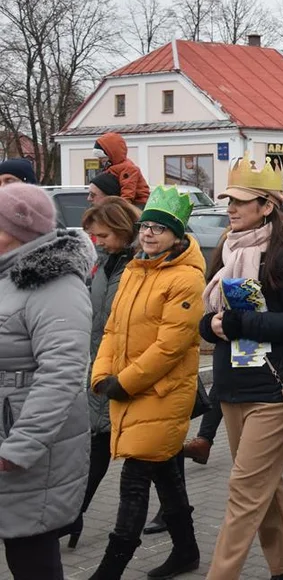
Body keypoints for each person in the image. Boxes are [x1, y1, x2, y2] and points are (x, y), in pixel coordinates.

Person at [201, 155, 283, 580]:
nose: (231, 208)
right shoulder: (226, 249)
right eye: (229, 200)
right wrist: (211, 325)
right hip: (232, 387)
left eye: (241, 201)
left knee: (244, 493)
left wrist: (240, 323)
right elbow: (211, 314)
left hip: (273, 390)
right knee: (265, 490)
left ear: (267, 206)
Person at [88, 186, 204, 579]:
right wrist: (101, 374)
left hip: (160, 394)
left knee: (134, 481)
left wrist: (124, 382)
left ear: (177, 234)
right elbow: (111, 329)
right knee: (168, 476)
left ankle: (110, 568)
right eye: (147, 226)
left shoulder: (186, 279)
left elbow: (170, 347)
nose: (150, 233)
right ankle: (187, 552)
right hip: (128, 389)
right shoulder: (136, 271)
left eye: (160, 228)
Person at [0, 184, 94, 580]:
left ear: (15, 231)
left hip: (24, 446)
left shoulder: (54, 284)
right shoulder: (6, 273)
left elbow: (64, 373)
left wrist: (20, 448)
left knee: (31, 556)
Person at [62, 198, 141, 551]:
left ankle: (77, 518)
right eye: (93, 236)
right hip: (101, 366)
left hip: (133, 372)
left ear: (124, 230)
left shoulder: (141, 264)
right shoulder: (104, 262)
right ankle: (74, 515)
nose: (97, 242)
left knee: (151, 457)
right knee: (100, 444)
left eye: (103, 235)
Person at [94, 132, 150, 205]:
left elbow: (128, 191)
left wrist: (122, 207)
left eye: (102, 157)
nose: (100, 160)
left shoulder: (128, 168)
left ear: (112, 154)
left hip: (138, 204)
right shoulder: (111, 168)